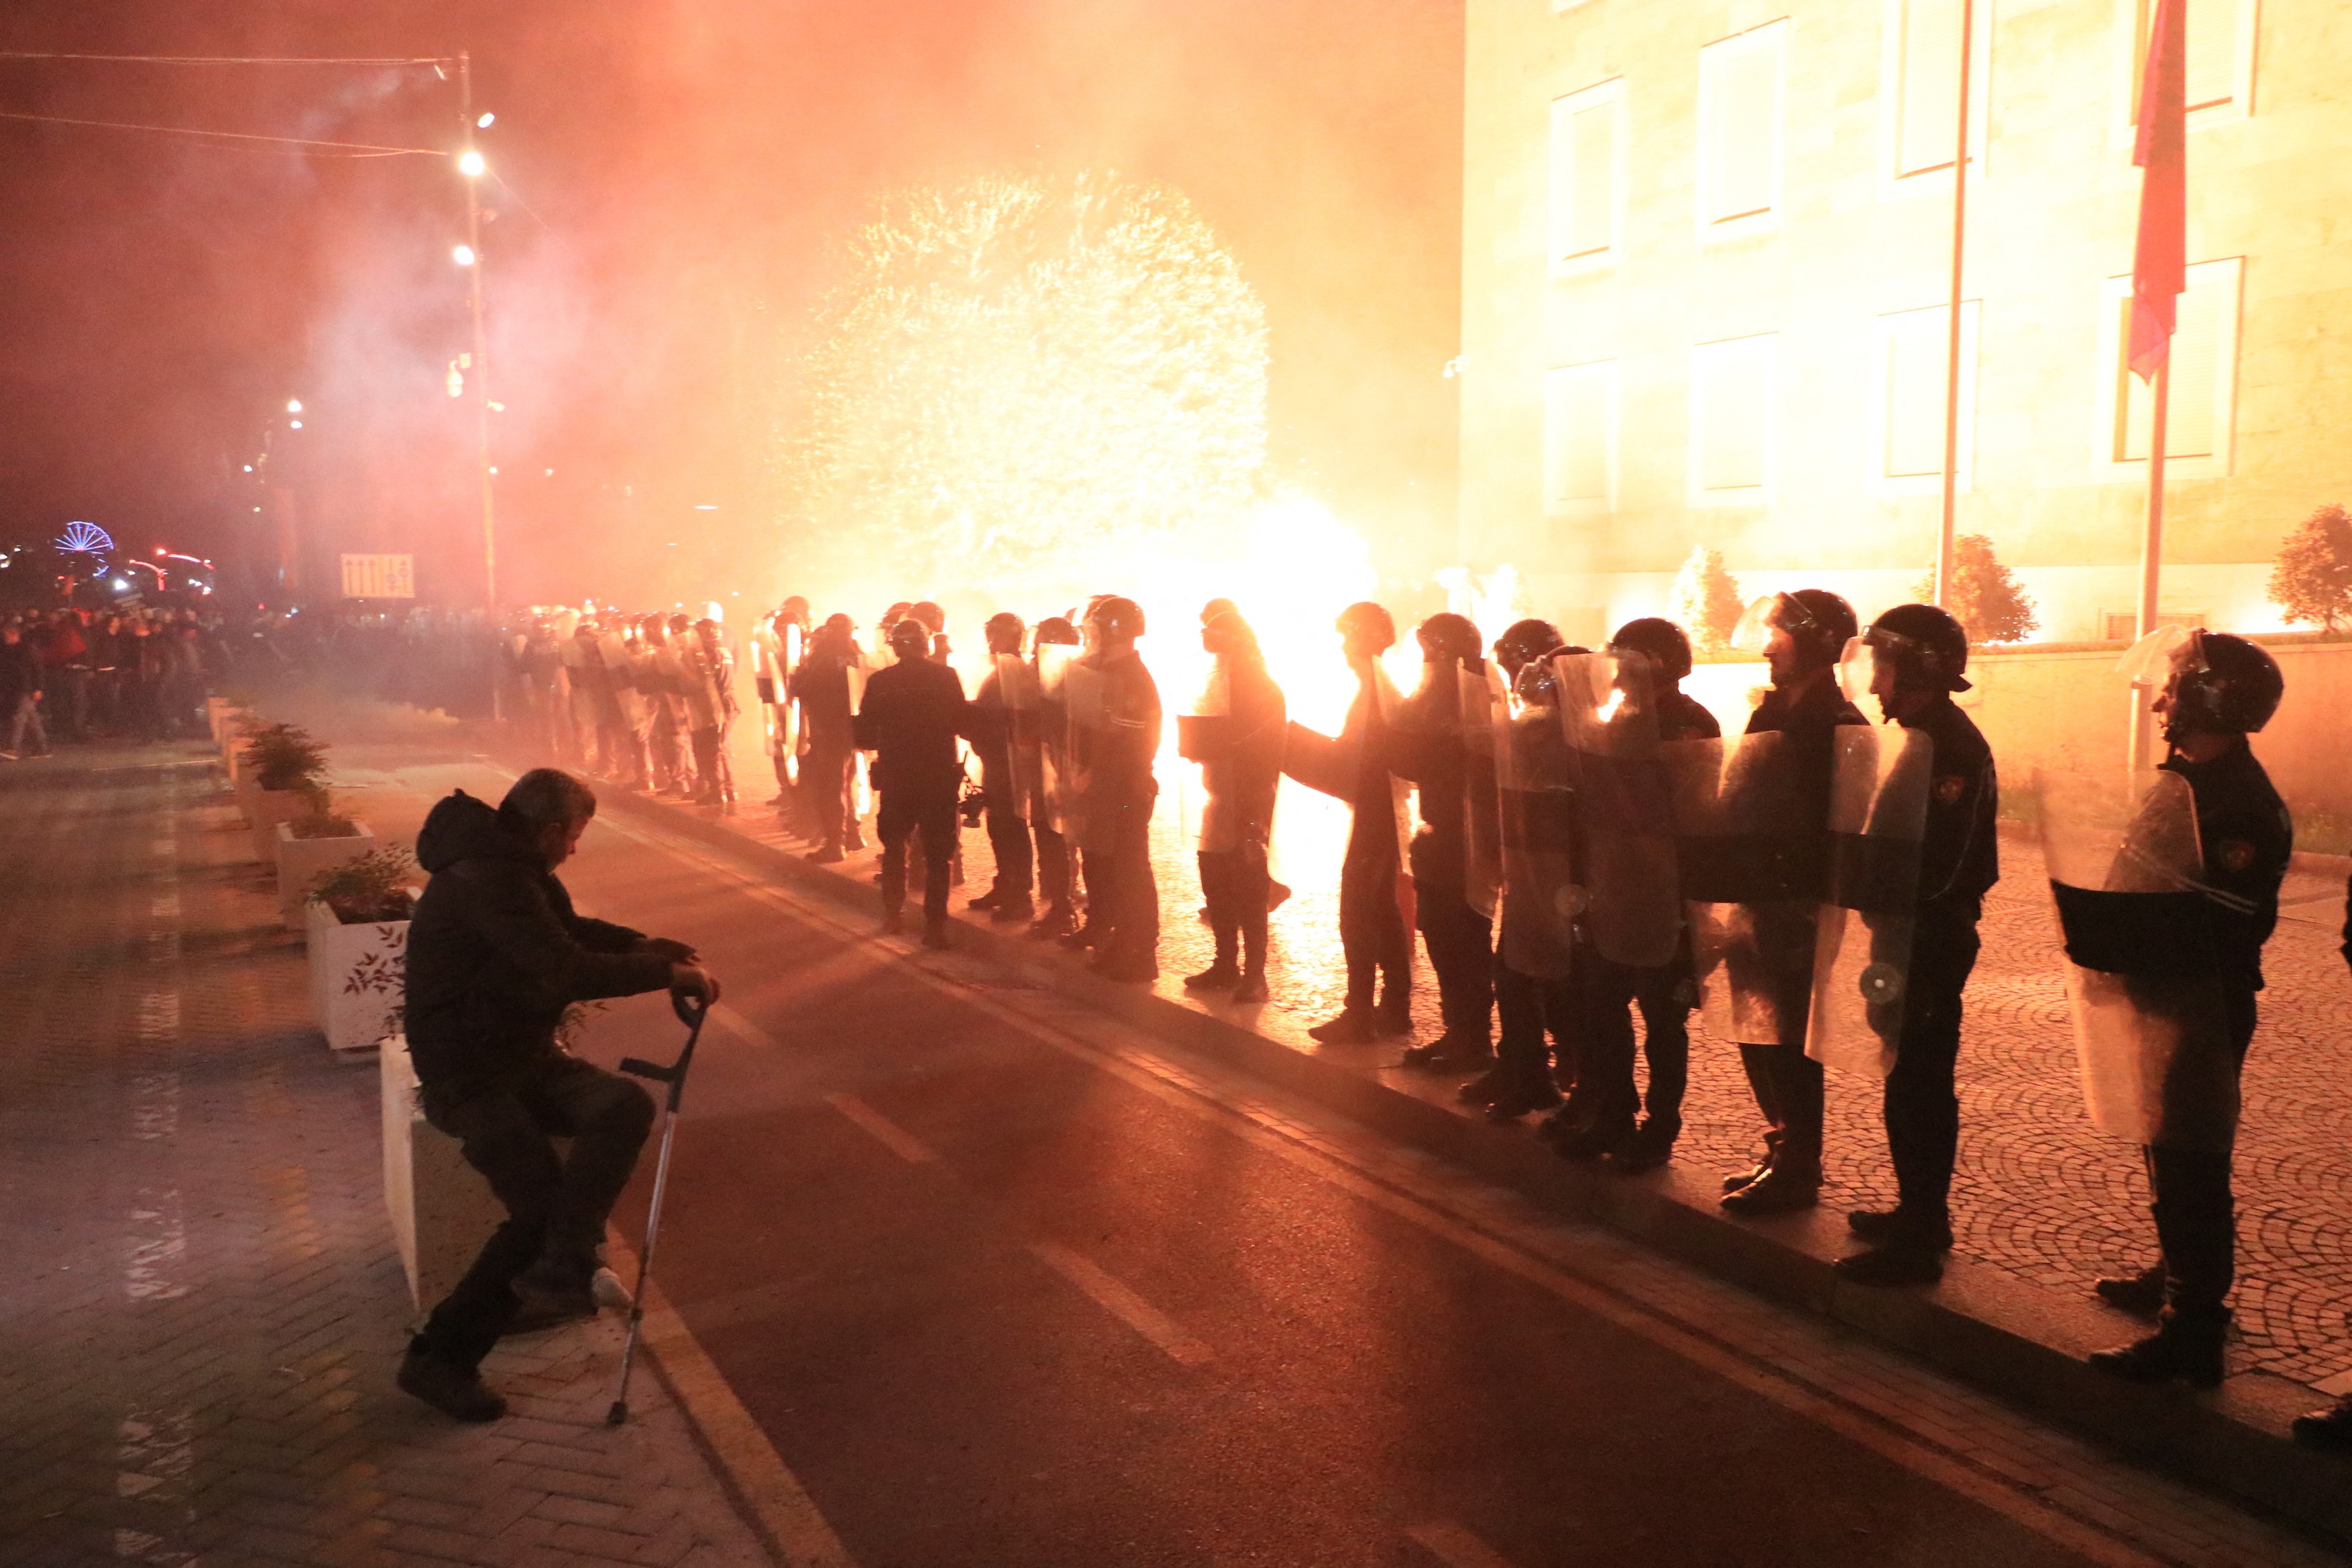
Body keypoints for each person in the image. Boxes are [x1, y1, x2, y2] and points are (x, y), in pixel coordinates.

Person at [398, 769, 718, 1422]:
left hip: (522, 1058)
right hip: (469, 1075)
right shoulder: (487, 878)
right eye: (573, 836)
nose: (574, 848)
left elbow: (564, 927)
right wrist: (662, 973)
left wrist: (639, 943)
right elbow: (564, 965)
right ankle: (441, 1358)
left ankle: (565, 1262)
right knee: (537, 1205)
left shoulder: (512, 868)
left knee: (621, 1105)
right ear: (549, 830)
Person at [2088, 632, 2290, 1386]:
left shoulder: (2236, 801)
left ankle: (2194, 1326)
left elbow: (2221, 918)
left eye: (2175, 687)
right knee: (2164, 1143)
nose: (2162, 699)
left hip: (2201, 1000)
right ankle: (2176, 1273)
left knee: (2193, 1159)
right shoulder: (2188, 781)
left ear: (2209, 697)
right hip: (2164, 992)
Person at [1833, 605, 1999, 1284]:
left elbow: (1950, 863)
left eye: (1886, 666)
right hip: (1901, 932)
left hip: (1929, 937)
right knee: (1903, 1072)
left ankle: (1925, 1226)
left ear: (1921, 666)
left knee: (1924, 1079)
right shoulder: (1915, 738)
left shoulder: (1949, 747)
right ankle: (1913, 1206)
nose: (1874, 685)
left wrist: (1900, 912)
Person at [1719, 590, 1868, 1215]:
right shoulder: (1773, 711)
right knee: (1755, 1029)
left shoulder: (1839, 725)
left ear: (1811, 643)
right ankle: (1780, 1142)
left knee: (1790, 1037)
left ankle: (1800, 1162)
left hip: (1798, 901)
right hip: (1756, 893)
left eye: (1778, 639)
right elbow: (1741, 789)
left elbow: (1844, 821)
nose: (1766, 649)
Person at [1573, 618, 1722, 1172]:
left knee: (1664, 1019)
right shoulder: (1617, 719)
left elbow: (1697, 813)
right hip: (1616, 888)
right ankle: (1614, 1114)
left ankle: (1659, 1129)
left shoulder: (1689, 724)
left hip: (1666, 895)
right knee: (1602, 1007)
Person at [1391, 612, 1496, 1072]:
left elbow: (1415, 759)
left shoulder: (1459, 696)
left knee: (1460, 942)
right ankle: (1461, 1033)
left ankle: (1471, 1039)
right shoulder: (1463, 689)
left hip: (1460, 837)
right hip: (1444, 833)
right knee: (1444, 938)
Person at [1307, 602, 1412, 1044]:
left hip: (1373, 817)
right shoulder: (1375, 687)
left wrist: (1313, 755)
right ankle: (1393, 1007)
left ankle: (1361, 1013)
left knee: (1358, 913)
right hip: (1375, 815)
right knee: (1380, 910)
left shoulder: (1375, 690)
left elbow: (1365, 760)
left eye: (1349, 636)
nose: (1343, 647)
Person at [1183, 609, 1284, 1002]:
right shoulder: (1216, 686)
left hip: (1251, 799)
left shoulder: (1262, 689)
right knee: (1216, 885)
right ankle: (1226, 963)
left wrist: (1256, 816)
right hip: (1219, 795)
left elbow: (1267, 749)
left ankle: (1255, 976)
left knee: (1249, 891)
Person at [855, 616, 969, 947]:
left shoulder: (880, 681)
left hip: (896, 778)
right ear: (926, 644)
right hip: (937, 778)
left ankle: (893, 916)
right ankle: (935, 928)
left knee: (894, 848)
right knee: (938, 856)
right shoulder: (946, 677)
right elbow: (961, 721)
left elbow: (864, 734)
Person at [1069, 595, 1162, 981]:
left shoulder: (1131, 678)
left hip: (1126, 791)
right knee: (1105, 862)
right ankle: (1114, 936)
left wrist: (1095, 769)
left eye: (1095, 630)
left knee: (1130, 868)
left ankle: (1139, 952)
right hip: (1107, 789)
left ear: (1112, 632)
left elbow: (1130, 738)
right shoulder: (1108, 672)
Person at [968, 612, 1039, 923]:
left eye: (997, 635)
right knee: (999, 827)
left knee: (1012, 828)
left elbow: (1014, 717)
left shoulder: (1018, 673)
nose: (991, 641)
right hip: (995, 760)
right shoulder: (999, 672)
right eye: (990, 634)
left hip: (1010, 763)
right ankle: (1004, 885)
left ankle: (1019, 895)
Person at [791, 614, 864, 862]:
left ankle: (835, 844)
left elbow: (803, 688)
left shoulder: (823, 655)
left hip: (829, 731)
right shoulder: (857, 654)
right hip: (855, 732)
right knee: (846, 784)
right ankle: (853, 835)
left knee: (830, 790)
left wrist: (797, 676)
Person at [1026, 616, 1082, 938]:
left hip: (1062, 773)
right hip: (1044, 771)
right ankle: (1060, 904)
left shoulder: (1071, 677)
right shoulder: (1042, 674)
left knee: (1060, 841)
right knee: (1051, 840)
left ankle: (1064, 909)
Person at [1, 621, 50, 759]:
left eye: (6, 636)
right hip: (21, 687)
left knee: (20, 717)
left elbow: (37, 669)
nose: (5, 639)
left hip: (27, 687)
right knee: (31, 718)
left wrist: (38, 688)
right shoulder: (13, 649)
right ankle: (43, 747)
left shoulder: (27, 649)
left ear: (14, 634)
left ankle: (13, 747)